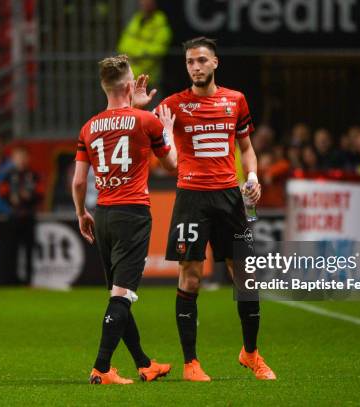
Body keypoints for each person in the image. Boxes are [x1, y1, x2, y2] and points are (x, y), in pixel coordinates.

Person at [133, 37, 276, 382]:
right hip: (191, 199)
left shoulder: (235, 100)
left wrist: (253, 176)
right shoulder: (172, 106)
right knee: (191, 277)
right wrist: (139, 110)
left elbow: (247, 148)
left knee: (245, 276)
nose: (195, 67)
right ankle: (191, 363)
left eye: (200, 60)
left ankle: (251, 353)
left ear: (215, 63)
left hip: (229, 197)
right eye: (189, 62)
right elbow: (152, 149)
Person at [72, 55, 177, 385]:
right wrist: (169, 130)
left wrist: (80, 213)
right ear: (130, 86)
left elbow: (77, 182)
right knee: (123, 295)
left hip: (101, 214)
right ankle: (101, 368)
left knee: (119, 293)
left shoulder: (88, 128)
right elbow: (172, 163)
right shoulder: (146, 122)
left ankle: (144, 364)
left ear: (105, 86)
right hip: (132, 213)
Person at [0, 146, 42, 284]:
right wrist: (12, 199)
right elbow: (3, 193)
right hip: (13, 217)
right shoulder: (9, 175)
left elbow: (41, 194)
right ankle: (11, 280)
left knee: (29, 250)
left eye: (24, 157)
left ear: (28, 158)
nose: (22, 160)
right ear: (13, 159)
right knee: (12, 250)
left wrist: (29, 197)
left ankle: (29, 280)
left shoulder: (33, 175)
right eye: (19, 157)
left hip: (29, 217)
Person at [117, 0, 171, 91]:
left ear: (154, 4)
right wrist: (132, 56)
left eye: (148, 2)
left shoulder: (160, 21)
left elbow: (159, 48)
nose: (145, 5)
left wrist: (135, 56)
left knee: (151, 104)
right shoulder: (136, 19)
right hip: (130, 77)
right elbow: (123, 44)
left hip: (148, 79)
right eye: (143, 2)